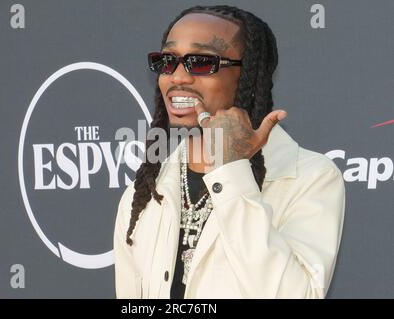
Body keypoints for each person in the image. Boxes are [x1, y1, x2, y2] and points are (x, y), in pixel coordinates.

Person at [114, 5, 345, 299]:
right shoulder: (144, 193)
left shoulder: (312, 178)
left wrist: (231, 170)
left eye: (200, 62)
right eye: (167, 61)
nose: (177, 77)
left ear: (247, 74)